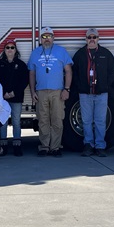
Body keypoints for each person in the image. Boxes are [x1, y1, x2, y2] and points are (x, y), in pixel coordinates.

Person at [28, 27, 72, 157]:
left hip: (57, 92)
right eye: (44, 37)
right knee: (43, 120)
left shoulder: (61, 51)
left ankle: (56, 147)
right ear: (40, 39)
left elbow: (68, 71)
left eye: (49, 36)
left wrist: (67, 89)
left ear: (53, 38)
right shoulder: (35, 53)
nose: (46, 39)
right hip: (41, 91)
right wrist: (32, 91)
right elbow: (31, 73)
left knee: (57, 120)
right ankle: (44, 147)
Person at [73, 28, 114, 157]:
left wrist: (105, 85)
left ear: (98, 39)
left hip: (101, 94)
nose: (92, 40)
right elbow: (74, 72)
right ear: (85, 39)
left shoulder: (105, 53)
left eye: (94, 37)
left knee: (100, 121)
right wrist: (80, 85)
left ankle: (100, 146)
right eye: (89, 37)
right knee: (86, 120)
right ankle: (88, 145)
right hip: (85, 94)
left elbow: (113, 71)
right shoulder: (80, 54)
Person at [0, 39, 29, 156]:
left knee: (16, 121)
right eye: (8, 47)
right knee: (3, 121)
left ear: (15, 50)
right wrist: (3, 94)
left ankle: (17, 146)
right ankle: (3, 146)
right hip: (2, 98)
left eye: (12, 47)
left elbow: (24, 81)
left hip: (16, 98)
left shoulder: (21, 65)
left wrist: (14, 92)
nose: (10, 50)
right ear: (4, 50)